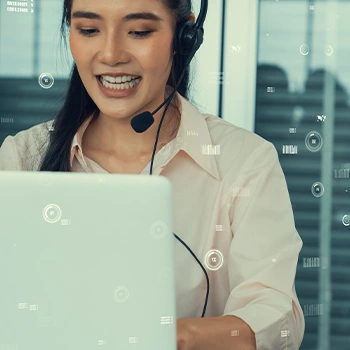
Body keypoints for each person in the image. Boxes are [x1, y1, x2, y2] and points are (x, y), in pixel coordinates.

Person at [0, 0, 305, 349]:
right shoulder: (20, 159)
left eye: (139, 31)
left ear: (185, 36)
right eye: (88, 30)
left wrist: (175, 336)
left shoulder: (244, 163)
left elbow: (278, 317)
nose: (111, 54)